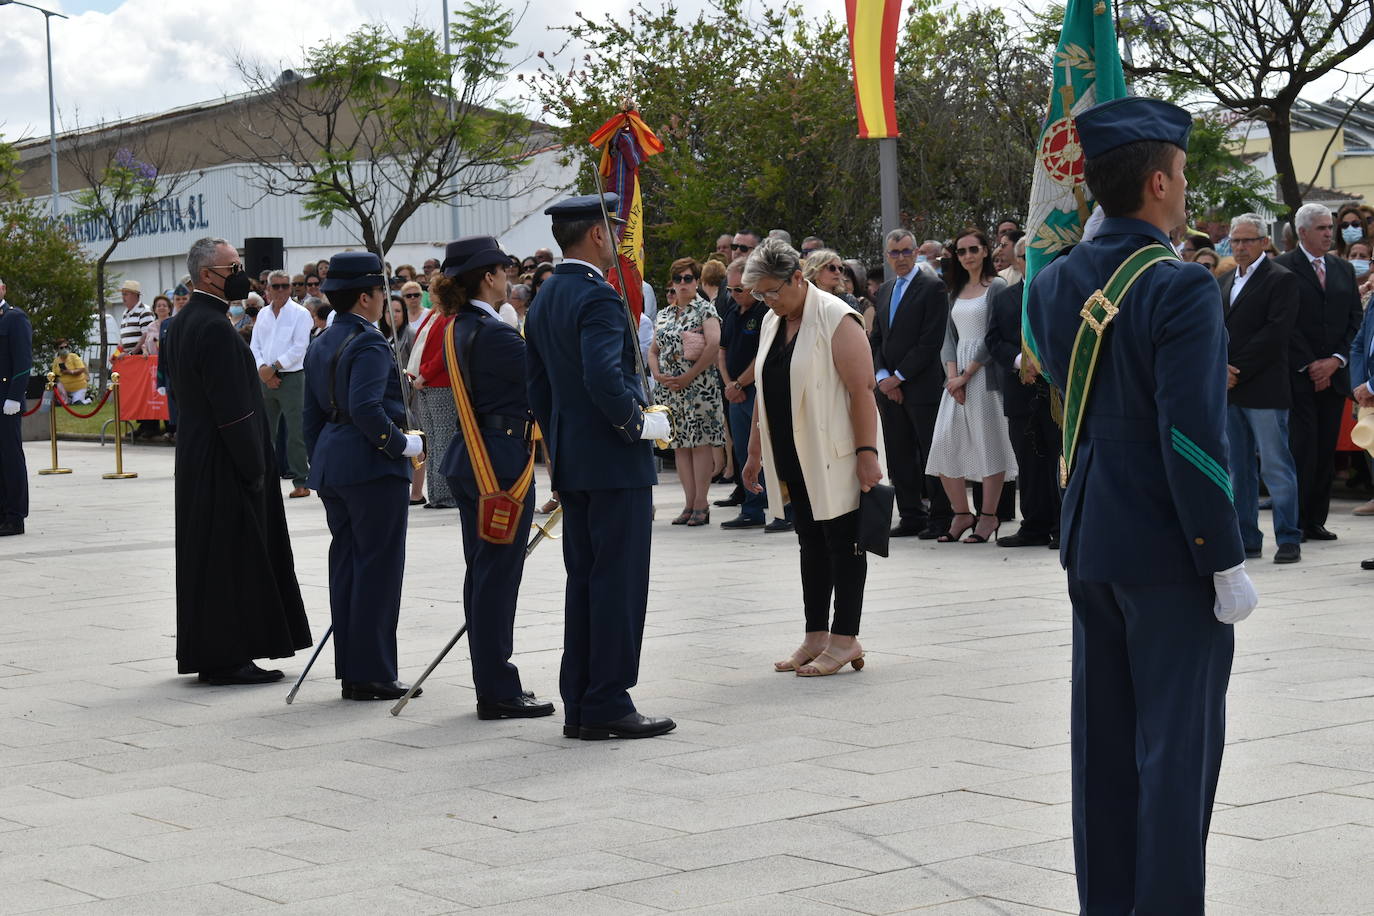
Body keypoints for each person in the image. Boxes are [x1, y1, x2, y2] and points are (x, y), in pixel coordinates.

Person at [1025, 97, 1255, 914]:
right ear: (1158, 182)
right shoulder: (1181, 288)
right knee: (1175, 758)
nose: (1187, 192)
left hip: (1092, 534)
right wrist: (1222, 555)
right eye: (1184, 177)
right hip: (1167, 547)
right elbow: (1193, 439)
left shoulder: (1053, 285)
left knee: (1104, 753)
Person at [525, 193, 675, 740]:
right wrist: (637, 424)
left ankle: (582, 701)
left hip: (575, 462)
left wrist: (563, 449)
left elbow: (537, 391)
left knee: (586, 582)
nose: (621, 239)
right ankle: (608, 700)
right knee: (618, 582)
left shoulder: (545, 297)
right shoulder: (599, 298)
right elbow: (603, 378)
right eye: (615, 229)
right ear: (595, 235)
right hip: (613, 464)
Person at [160, 237, 312, 684]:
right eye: (232, 267)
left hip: (197, 454)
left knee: (207, 555)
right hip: (225, 459)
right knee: (229, 555)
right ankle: (227, 656)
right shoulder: (212, 328)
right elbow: (235, 410)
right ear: (208, 275)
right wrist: (254, 467)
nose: (241, 273)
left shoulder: (186, 322)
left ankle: (214, 651)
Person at [740, 239, 883, 677]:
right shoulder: (772, 321)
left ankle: (845, 637)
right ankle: (816, 635)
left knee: (844, 543)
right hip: (792, 453)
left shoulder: (837, 318)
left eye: (772, 291)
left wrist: (867, 454)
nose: (767, 301)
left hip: (836, 452)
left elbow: (863, 391)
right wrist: (753, 452)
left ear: (796, 278)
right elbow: (764, 391)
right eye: (760, 294)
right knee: (810, 543)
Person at [430, 236, 556, 720]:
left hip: (472, 456)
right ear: (488, 275)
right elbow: (542, 386)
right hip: (498, 466)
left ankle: (491, 679)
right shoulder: (495, 334)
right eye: (504, 269)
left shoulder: (456, 326)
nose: (510, 276)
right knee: (497, 578)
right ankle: (497, 688)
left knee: (484, 574)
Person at [303, 252, 424, 702]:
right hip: (372, 468)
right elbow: (367, 408)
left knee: (349, 569)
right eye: (381, 293)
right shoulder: (371, 343)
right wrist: (403, 445)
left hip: (336, 466)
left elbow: (310, 417)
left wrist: (323, 462)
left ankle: (355, 671)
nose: (383, 300)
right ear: (365, 297)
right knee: (378, 570)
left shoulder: (322, 340)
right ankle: (374, 674)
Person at [1218, 213, 1302, 563]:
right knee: (1238, 468)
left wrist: (1238, 369)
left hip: (1264, 387)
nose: (1240, 247)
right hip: (1229, 388)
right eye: (1235, 240)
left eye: (1247, 240)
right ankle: (1246, 537)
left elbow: (1276, 332)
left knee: (1275, 464)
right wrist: (1221, 369)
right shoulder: (1222, 281)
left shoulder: (1281, 279)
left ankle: (1288, 537)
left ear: (1264, 242)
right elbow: (1216, 329)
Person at [1277, 203, 1363, 541]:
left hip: (1335, 373)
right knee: (1302, 448)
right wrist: (1311, 363)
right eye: (1323, 228)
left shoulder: (1342, 269)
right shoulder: (1282, 268)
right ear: (1302, 232)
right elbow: (1285, 322)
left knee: (1326, 448)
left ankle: (1316, 519)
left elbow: (1355, 317)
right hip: (1299, 375)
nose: (1330, 233)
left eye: (1331, 228)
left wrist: (1336, 360)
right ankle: (1294, 520)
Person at [926, 228, 1015, 543]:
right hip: (956, 377)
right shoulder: (954, 290)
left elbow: (995, 335)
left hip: (985, 375)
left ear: (986, 251)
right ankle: (962, 513)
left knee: (988, 443)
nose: (967, 256)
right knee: (944, 443)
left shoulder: (998, 287)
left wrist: (967, 374)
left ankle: (988, 517)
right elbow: (948, 338)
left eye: (973, 250)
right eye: (961, 251)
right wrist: (953, 377)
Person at [871, 228, 952, 538]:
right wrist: (882, 378)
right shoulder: (886, 290)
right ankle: (910, 514)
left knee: (931, 451)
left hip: (921, 385)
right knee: (898, 452)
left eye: (906, 251)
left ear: (916, 252)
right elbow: (877, 338)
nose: (900, 258)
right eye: (894, 253)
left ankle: (941, 516)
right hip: (889, 389)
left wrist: (899, 377)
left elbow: (930, 341)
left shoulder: (933, 286)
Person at [984, 238, 1059, 547]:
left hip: (1056, 391)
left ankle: (1062, 524)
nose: (1030, 261)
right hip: (1021, 391)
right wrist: (1020, 360)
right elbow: (993, 339)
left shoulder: (1061, 293)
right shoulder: (1004, 298)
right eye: (1024, 257)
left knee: (1059, 460)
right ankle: (1034, 524)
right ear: (1016, 261)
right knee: (1028, 462)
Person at [649, 258, 725, 526]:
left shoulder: (706, 309)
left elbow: (714, 343)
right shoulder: (664, 314)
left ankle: (702, 504)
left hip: (699, 388)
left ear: (696, 281)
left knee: (700, 444)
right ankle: (689, 502)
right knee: (680, 446)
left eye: (688, 278)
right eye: (678, 279)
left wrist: (689, 375)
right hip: (671, 390)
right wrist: (657, 374)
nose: (683, 284)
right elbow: (653, 350)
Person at [716, 257, 774, 530]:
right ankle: (752, 508)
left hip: (756, 391)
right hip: (735, 394)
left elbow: (763, 354)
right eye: (730, 290)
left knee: (768, 450)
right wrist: (729, 384)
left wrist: (739, 384)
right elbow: (722, 349)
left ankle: (782, 508)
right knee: (742, 450)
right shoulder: (731, 310)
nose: (733, 294)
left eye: (738, 289)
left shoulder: (765, 312)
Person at [250, 269, 313, 499]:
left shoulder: (300, 313)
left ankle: (301, 481)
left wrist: (273, 368)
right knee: (265, 432)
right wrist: (263, 371)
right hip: (265, 378)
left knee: (295, 432)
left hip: (292, 377)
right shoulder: (263, 315)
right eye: (275, 286)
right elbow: (254, 346)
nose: (280, 290)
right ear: (267, 289)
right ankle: (265, 480)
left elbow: (299, 348)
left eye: (284, 286)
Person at [0, 278, 31, 537]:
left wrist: (15, 395)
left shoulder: (14, 318)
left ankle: (15, 516)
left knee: (10, 457)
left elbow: (23, 360)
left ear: (3, 290)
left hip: (6, 400)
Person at [52, 339, 91, 404]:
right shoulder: (56, 361)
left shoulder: (74, 357)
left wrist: (70, 372)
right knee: (62, 403)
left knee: (77, 403)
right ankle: (68, 399)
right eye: (61, 348)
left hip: (79, 387)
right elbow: (54, 375)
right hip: (64, 389)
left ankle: (88, 400)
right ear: (57, 350)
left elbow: (82, 369)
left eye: (66, 347)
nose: (64, 349)